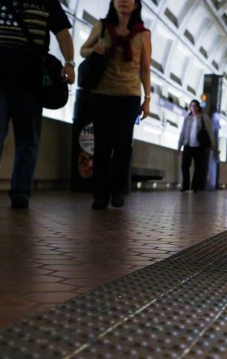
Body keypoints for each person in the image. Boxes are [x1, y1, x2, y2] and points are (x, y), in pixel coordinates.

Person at [0, 0, 75, 209]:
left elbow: (63, 33)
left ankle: (21, 192)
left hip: (31, 84)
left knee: (28, 140)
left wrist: (69, 62)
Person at [80, 0, 151, 210]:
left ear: (136, 5)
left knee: (122, 143)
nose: (123, 2)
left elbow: (145, 68)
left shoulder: (143, 34)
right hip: (102, 94)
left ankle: (118, 190)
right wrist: (95, 49)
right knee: (102, 144)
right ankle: (100, 194)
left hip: (129, 96)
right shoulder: (101, 27)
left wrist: (147, 99)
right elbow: (83, 50)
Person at [177, 100, 216, 192]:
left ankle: (195, 186)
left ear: (198, 107)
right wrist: (179, 147)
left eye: (195, 106)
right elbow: (182, 133)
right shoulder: (187, 118)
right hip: (188, 145)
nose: (193, 108)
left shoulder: (203, 117)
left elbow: (210, 131)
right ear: (190, 107)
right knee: (184, 165)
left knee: (198, 167)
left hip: (199, 146)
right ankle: (185, 185)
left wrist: (213, 144)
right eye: (191, 106)